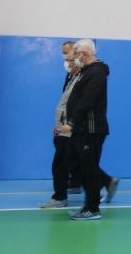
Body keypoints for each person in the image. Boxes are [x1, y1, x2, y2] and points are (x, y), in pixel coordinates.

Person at [61, 39, 119, 220]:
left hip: (90, 129)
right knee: (81, 166)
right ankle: (96, 195)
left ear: (83, 54)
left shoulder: (96, 72)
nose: (72, 58)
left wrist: (72, 122)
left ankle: (92, 208)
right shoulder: (86, 71)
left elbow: (88, 100)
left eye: (75, 53)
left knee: (88, 169)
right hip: (81, 129)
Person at [39, 41, 82, 208]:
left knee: (61, 164)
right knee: (68, 163)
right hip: (62, 127)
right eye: (65, 57)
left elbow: (78, 106)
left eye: (69, 58)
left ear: (78, 59)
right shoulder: (71, 77)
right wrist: (57, 124)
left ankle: (60, 197)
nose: (66, 61)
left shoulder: (81, 79)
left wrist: (70, 124)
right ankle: (95, 185)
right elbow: (64, 104)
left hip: (69, 129)